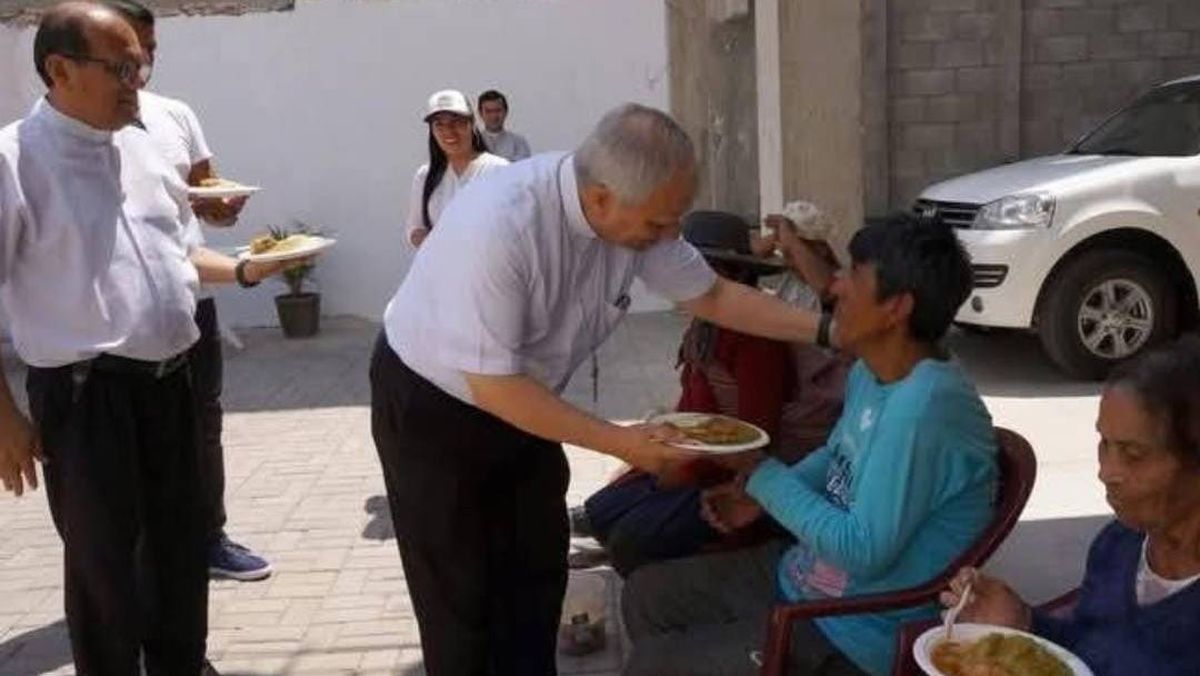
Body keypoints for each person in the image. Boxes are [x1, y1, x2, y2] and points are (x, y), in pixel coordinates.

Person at [371, 102, 839, 675]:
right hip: (434, 404)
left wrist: (829, 329)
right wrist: (625, 444)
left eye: (675, 221)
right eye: (659, 225)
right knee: (460, 592)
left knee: (537, 568)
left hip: (527, 397)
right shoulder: (501, 223)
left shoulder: (635, 210)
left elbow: (713, 295)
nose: (670, 238)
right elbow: (493, 386)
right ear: (599, 200)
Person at [0, 4, 299, 673]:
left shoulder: (140, 144)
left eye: (140, 62)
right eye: (122, 66)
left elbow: (177, 256)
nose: (139, 78)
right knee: (108, 578)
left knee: (178, 558)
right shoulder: (14, 160)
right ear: (60, 69)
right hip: (87, 399)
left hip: (172, 385)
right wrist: (4, 419)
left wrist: (248, 268)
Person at [621, 213, 998, 676]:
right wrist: (758, 497)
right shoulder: (874, 372)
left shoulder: (925, 410)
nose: (835, 286)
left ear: (895, 308)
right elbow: (836, 458)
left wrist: (762, 474)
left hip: (854, 629)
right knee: (645, 593)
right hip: (806, 578)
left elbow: (862, 549)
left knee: (653, 665)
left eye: (853, 276)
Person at [575, 211, 850, 577]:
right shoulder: (706, 329)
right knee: (599, 511)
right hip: (693, 460)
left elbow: (754, 436)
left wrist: (683, 469)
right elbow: (690, 408)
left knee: (631, 539)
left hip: (733, 476)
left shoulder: (756, 339)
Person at [103, 0, 271, 582]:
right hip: (113, 331)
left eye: (151, 49)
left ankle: (208, 538)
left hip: (190, 297)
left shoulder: (173, 115)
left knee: (203, 423)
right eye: (132, 49)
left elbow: (205, 201)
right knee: (129, 453)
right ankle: (135, 566)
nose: (144, 60)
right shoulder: (65, 133)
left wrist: (226, 213)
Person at [940, 338, 1200, 676]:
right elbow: (1086, 650)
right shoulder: (1117, 545)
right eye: (1104, 444)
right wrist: (1023, 622)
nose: (1106, 472)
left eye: (1133, 455)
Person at [405, 89, 508, 248]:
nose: (449, 131)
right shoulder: (425, 175)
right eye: (439, 124)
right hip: (440, 269)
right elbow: (415, 228)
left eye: (457, 122)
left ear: (472, 124)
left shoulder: (498, 169)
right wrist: (439, 247)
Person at [477, 89, 532, 162]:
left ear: (506, 112)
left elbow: (523, 169)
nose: (494, 116)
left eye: (498, 110)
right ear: (480, 113)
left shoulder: (519, 143)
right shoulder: (472, 143)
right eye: (488, 111)